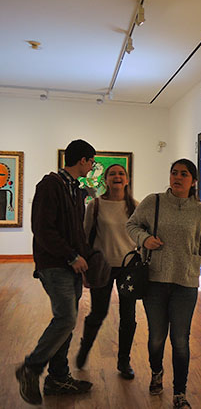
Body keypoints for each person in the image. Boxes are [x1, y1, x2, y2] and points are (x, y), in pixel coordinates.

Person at [126, 158, 201, 409]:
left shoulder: (200, 211)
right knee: (157, 337)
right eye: (174, 173)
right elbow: (131, 225)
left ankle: (180, 393)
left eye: (184, 174)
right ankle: (157, 372)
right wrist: (144, 239)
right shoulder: (153, 202)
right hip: (154, 281)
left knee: (180, 340)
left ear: (193, 181)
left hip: (185, 283)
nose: (177, 178)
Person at [15, 139, 96, 405]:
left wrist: (85, 260)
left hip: (71, 265)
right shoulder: (50, 185)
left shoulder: (75, 189)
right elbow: (42, 228)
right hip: (55, 264)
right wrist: (71, 256)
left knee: (66, 323)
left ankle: (58, 378)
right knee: (66, 319)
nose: (92, 166)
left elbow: (77, 232)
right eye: (91, 161)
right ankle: (31, 367)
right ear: (83, 160)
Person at [75, 164, 138, 380]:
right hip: (102, 266)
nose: (117, 177)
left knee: (128, 317)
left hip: (128, 267)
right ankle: (84, 349)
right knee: (98, 312)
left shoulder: (136, 206)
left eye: (121, 174)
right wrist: (84, 269)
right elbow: (85, 236)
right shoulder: (95, 205)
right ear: (106, 180)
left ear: (127, 180)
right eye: (112, 174)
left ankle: (124, 361)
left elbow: (141, 236)